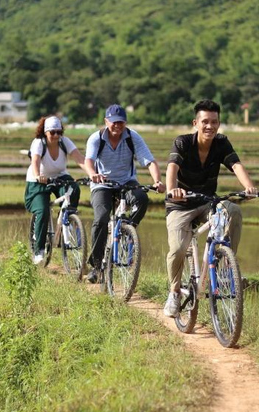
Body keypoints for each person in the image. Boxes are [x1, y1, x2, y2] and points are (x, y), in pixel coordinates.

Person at [163, 99, 259, 317]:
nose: (210, 126)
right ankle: (175, 292)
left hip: (208, 202)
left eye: (214, 122)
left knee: (232, 211)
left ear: (219, 123)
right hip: (180, 204)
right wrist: (172, 189)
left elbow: (235, 164)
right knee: (178, 249)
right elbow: (172, 167)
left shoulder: (221, 143)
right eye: (205, 121)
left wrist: (248, 187)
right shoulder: (183, 142)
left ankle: (226, 266)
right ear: (195, 122)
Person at [84, 104, 165, 283]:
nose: (117, 126)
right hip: (102, 184)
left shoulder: (132, 137)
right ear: (106, 122)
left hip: (127, 182)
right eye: (113, 122)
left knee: (142, 199)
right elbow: (88, 161)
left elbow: (149, 161)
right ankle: (96, 265)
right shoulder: (96, 138)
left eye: (120, 123)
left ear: (125, 123)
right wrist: (93, 175)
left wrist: (157, 181)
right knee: (101, 219)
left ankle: (127, 229)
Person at [25, 115, 86, 265]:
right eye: (52, 132)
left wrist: (93, 174)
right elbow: (35, 160)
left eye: (59, 132)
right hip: (39, 179)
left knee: (74, 189)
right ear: (45, 132)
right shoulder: (39, 143)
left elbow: (79, 159)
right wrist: (38, 175)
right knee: (43, 210)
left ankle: (67, 217)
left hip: (59, 176)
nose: (56, 136)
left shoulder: (64, 142)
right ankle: (39, 250)